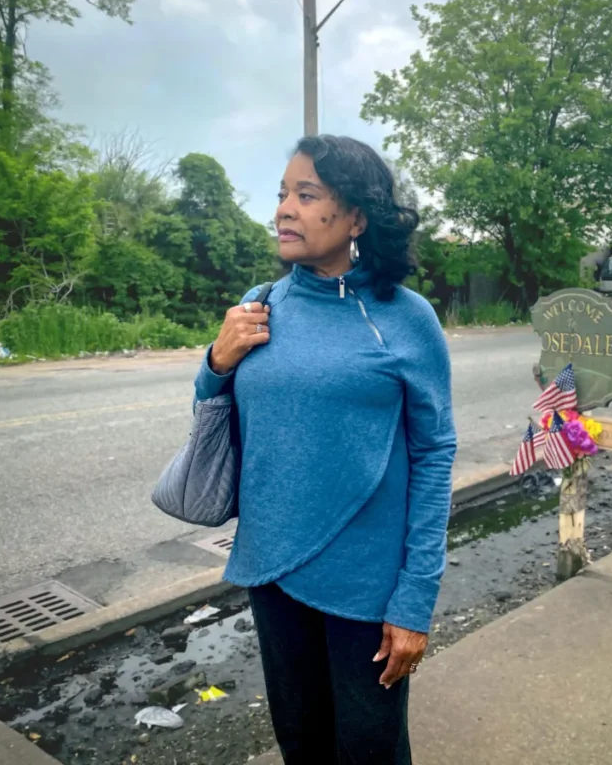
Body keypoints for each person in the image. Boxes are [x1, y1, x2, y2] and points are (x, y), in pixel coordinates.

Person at [193, 134, 457, 765]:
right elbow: (216, 413)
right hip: (272, 570)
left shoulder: (403, 317)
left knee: (368, 749)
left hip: (366, 583)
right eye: (282, 193)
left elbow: (434, 452)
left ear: (358, 216)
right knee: (301, 743)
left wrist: (415, 599)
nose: (285, 208)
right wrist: (215, 360)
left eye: (306, 195)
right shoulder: (261, 304)